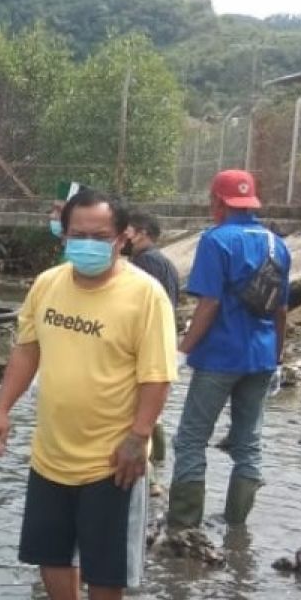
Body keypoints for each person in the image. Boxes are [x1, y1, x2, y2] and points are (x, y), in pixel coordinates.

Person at [0, 188, 177, 600]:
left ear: (122, 237)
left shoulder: (145, 295)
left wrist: (139, 437)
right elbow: (27, 351)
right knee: (49, 552)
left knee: (106, 565)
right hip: (50, 450)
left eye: (99, 235)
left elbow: (157, 375)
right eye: (78, 234)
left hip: (111, 459)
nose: (87, 243)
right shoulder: (48, 283)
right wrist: (1, 410)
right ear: (64, 234)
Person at [168, 169, 290, 530]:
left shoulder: (216, 240)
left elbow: (210, 304)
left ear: (218, 201)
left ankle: (183, 524)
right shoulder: (276, 244)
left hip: (220, 356)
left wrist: (180, 351)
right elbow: (281, 309)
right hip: (262, 356)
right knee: (248, 442)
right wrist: (277, 357)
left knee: (191, 438)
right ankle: (236, 525)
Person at [126, 209, 181, 497]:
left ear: (143, 233)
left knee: (140, 411)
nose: (125, 236)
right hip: (164, 341)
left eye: (129, 230)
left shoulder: (144, 263)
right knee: (154, 409)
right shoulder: (166, 263)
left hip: (146, 345)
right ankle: (157, 465)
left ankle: (149, 476)